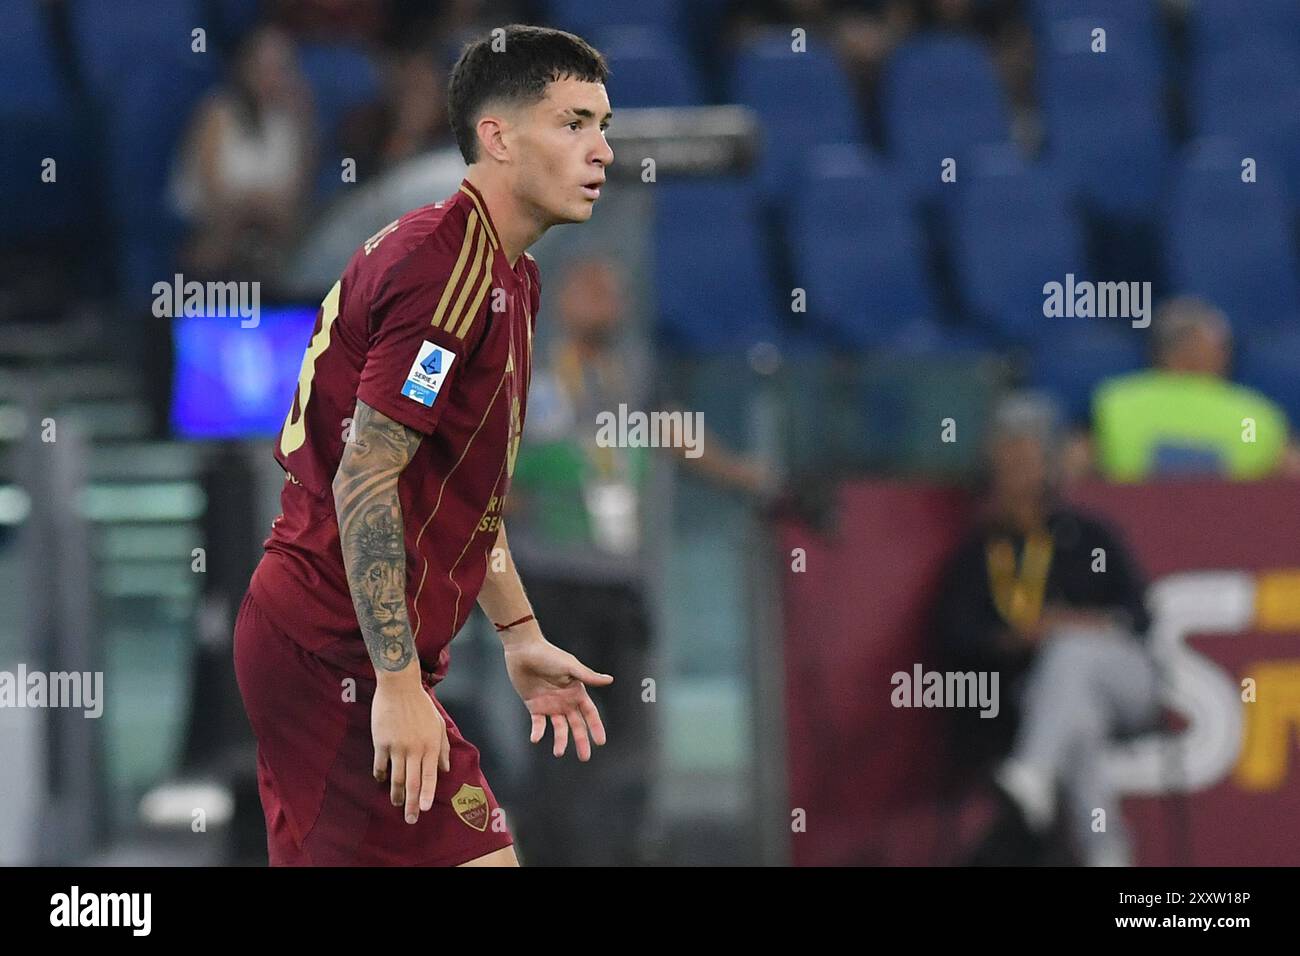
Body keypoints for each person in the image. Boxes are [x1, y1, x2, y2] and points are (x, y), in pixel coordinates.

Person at [233, 24, 615, 867]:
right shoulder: (447, 268)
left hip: (337, 648)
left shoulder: (511, 274)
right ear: (498, 137)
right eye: (574, 124)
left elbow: (461, 491)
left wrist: (516, 633)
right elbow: (366, 476)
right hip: (334, 650)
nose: (602, 152)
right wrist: (398, 687)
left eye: (605, 126)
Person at [932, 393, 1160, 866]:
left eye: (1028, 459)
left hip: (1125, 677)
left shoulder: (1089, 535)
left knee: (1071, 653)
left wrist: (1072, 624)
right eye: (1007, 461)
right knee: (1074, 714)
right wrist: (1019, 636)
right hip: (1039, 695)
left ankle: (1032, 772)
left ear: (1050, 467)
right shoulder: (979, 554)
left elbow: (1140, 615)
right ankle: (1106, 851)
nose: (1017, 473)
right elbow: (956, 636)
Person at [1088, 295, 1300, 481]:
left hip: (1132, 519)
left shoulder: (1115, 403)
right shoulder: (1256, 415)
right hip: (1234, 522)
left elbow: (1076, 470)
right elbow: (1291, 476)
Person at [171, 25, 315, 281]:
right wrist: (250, 205)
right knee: (221, 244)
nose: (271, 77)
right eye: (264, 67)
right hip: (217, 229)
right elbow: (210, 191)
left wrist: (304, 121)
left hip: (273, 235)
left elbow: (296, 196)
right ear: (246, 68)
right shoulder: (217, 113)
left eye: (280, 69)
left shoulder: (290, 121)